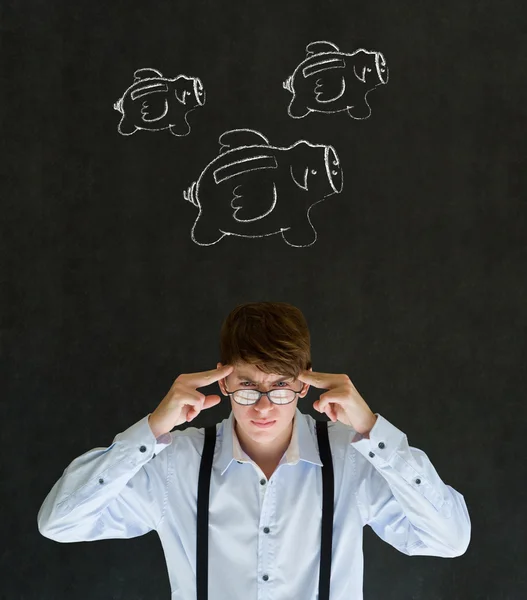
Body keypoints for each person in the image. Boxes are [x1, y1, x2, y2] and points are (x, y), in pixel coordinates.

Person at [37, 301, 471, 599]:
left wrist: (373, 428)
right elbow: (60, 522)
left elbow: (448, 539)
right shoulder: (176, 462)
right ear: (223, 382)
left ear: (304, 383)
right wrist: (152, 429)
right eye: (247, 385)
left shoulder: (353, 455)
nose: (264, 405)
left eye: (280, 385)